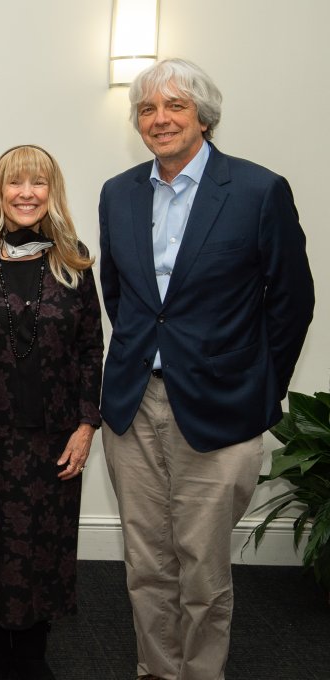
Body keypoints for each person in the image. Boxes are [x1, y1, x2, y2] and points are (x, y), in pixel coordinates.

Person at [100, 58, 314, 680]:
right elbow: (121, 296)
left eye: (176, 106)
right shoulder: (118, 192)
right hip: (134, 407)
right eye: (147, 108)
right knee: (146, 564)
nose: (160, 119)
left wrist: (260, 388)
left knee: (202, 568)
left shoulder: (257, 190)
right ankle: (157, 670)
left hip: (222, 409)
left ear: (204, 116)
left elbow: (292, 301)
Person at [0, 145, 103, 680]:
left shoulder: (74, 259)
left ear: (52, 193)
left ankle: (31, 655)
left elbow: (90, 349)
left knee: (43, 548)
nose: (27, 193)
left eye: (39, 183)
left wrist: (86, 426)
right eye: (15, 183)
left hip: (54, 437)